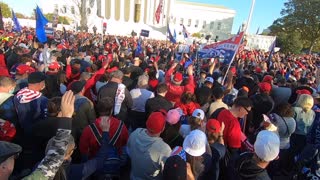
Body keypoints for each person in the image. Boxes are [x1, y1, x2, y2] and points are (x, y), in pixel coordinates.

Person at [127, 110, 171, 179]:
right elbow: (167, 172)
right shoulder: (164, 149)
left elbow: (129, 152)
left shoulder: (135, 133)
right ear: (163, 129)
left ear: (147, 123)